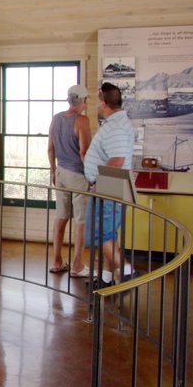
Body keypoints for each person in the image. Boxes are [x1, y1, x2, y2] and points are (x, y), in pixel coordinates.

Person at [83, 82, 136, 287]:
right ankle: (105, 279)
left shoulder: (116, 128)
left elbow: (116, 161)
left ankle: (127, 271)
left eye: (98, 102)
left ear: (104, 103)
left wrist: (98, 184)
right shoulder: (116, 124)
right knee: (108, 234)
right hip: (111, 185)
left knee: (99, 233)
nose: (96, 106)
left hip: (109, 187)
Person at [47, 84, 93, 276]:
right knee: (81, 220)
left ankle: (57, 261)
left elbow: (50, 148)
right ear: (83, 100)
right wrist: (92, 176)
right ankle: (77, 265)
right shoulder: (82, 120)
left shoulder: (56, 118)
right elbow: (84, 152)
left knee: (61, 216)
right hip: (78, 174)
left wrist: (53, 170)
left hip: (61, 173)